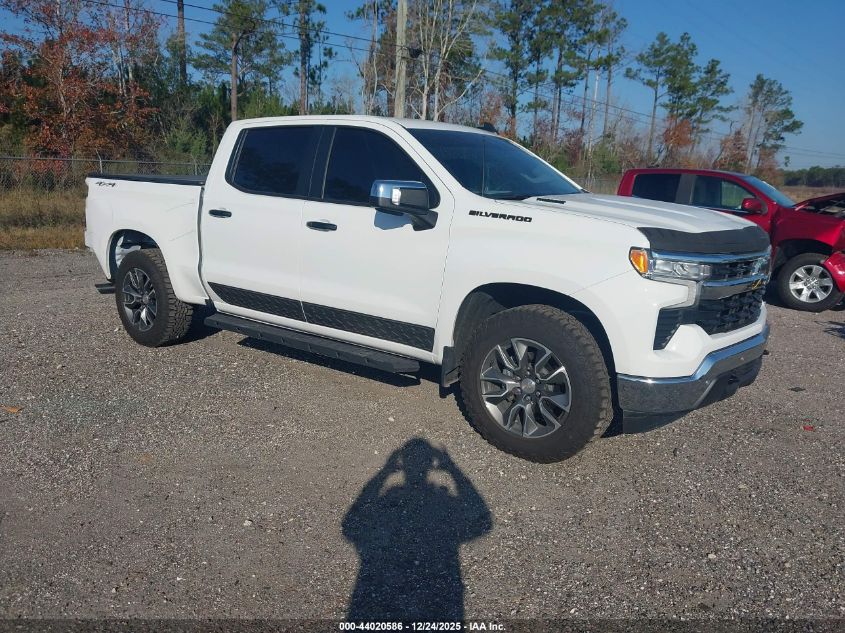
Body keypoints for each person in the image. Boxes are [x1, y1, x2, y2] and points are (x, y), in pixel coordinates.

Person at [342, 438, 492, 621]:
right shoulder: (443, 503)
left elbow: (352, 524)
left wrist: (384, 473)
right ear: (431, 464)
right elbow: (482, 522)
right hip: (441, 598)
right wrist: (453, 469)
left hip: (381, 599)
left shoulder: (393, 499)